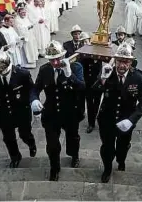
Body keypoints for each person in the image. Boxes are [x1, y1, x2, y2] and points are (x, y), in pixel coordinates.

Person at [93, 43, 142, 183]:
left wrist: (132, 120)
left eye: (126, 62)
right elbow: (93, 92)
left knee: (122, 148)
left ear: (131, 62)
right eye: (119, 61)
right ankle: (107, 169)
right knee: (107, 148)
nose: (122, 65)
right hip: (107, 118)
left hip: (126, 120)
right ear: (115, 60)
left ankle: (121, 159)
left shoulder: (138, 77)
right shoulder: (107, 72)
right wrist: (102, 79)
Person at [30, 40, 85, 181]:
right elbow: (35, 88)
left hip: (70, 112)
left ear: (64, 55)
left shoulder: (76, 67)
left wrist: (69, 74)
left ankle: (74, 155)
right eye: (51, 60)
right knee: (52, 144)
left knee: (73, 138)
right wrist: (34, 99)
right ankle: (54, 168)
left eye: (58, 58)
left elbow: (82, 88)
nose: (55, 62)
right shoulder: (44, 70)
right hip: (51, 112)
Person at [0, 51, 37, 168]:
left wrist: (34, 102)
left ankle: (31, 143)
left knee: (25, 134)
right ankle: (15, 157)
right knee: (8, 138)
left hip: (21, 110)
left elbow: (31, 90)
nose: (1, 74)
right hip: (3, 110)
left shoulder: (22, 74)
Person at [79, 32, 102, 133]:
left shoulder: (98, 54)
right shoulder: (84, 56)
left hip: (99, 82)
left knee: (96, 102)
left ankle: (94, 117)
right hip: (88, 83)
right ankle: (91, 123)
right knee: (89, 103)